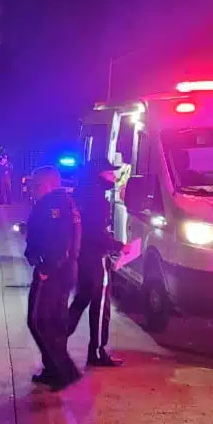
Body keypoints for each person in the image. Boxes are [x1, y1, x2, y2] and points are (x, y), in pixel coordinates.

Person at [25, 166, 82, 389]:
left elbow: (61, 242)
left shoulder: (55, 206)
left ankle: (64, 371)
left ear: (47, 185)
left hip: (55, 272)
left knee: (39, 321)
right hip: (60, 270)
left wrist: (46, 269)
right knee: (52, 322)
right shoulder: (62, 203)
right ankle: (53, 370)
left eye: (36, 185)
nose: (33, 190)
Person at [68, 160, 125, 367]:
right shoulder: (97, 200)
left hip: (83, 257)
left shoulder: (81, 193)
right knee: (101, 305)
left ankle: (57, 336)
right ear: (100, 175)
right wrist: (119, 246)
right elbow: (95, 234)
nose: (114, 177)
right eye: (111, 173)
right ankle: (98, 351)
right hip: (95, 258)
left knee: (82, 298)